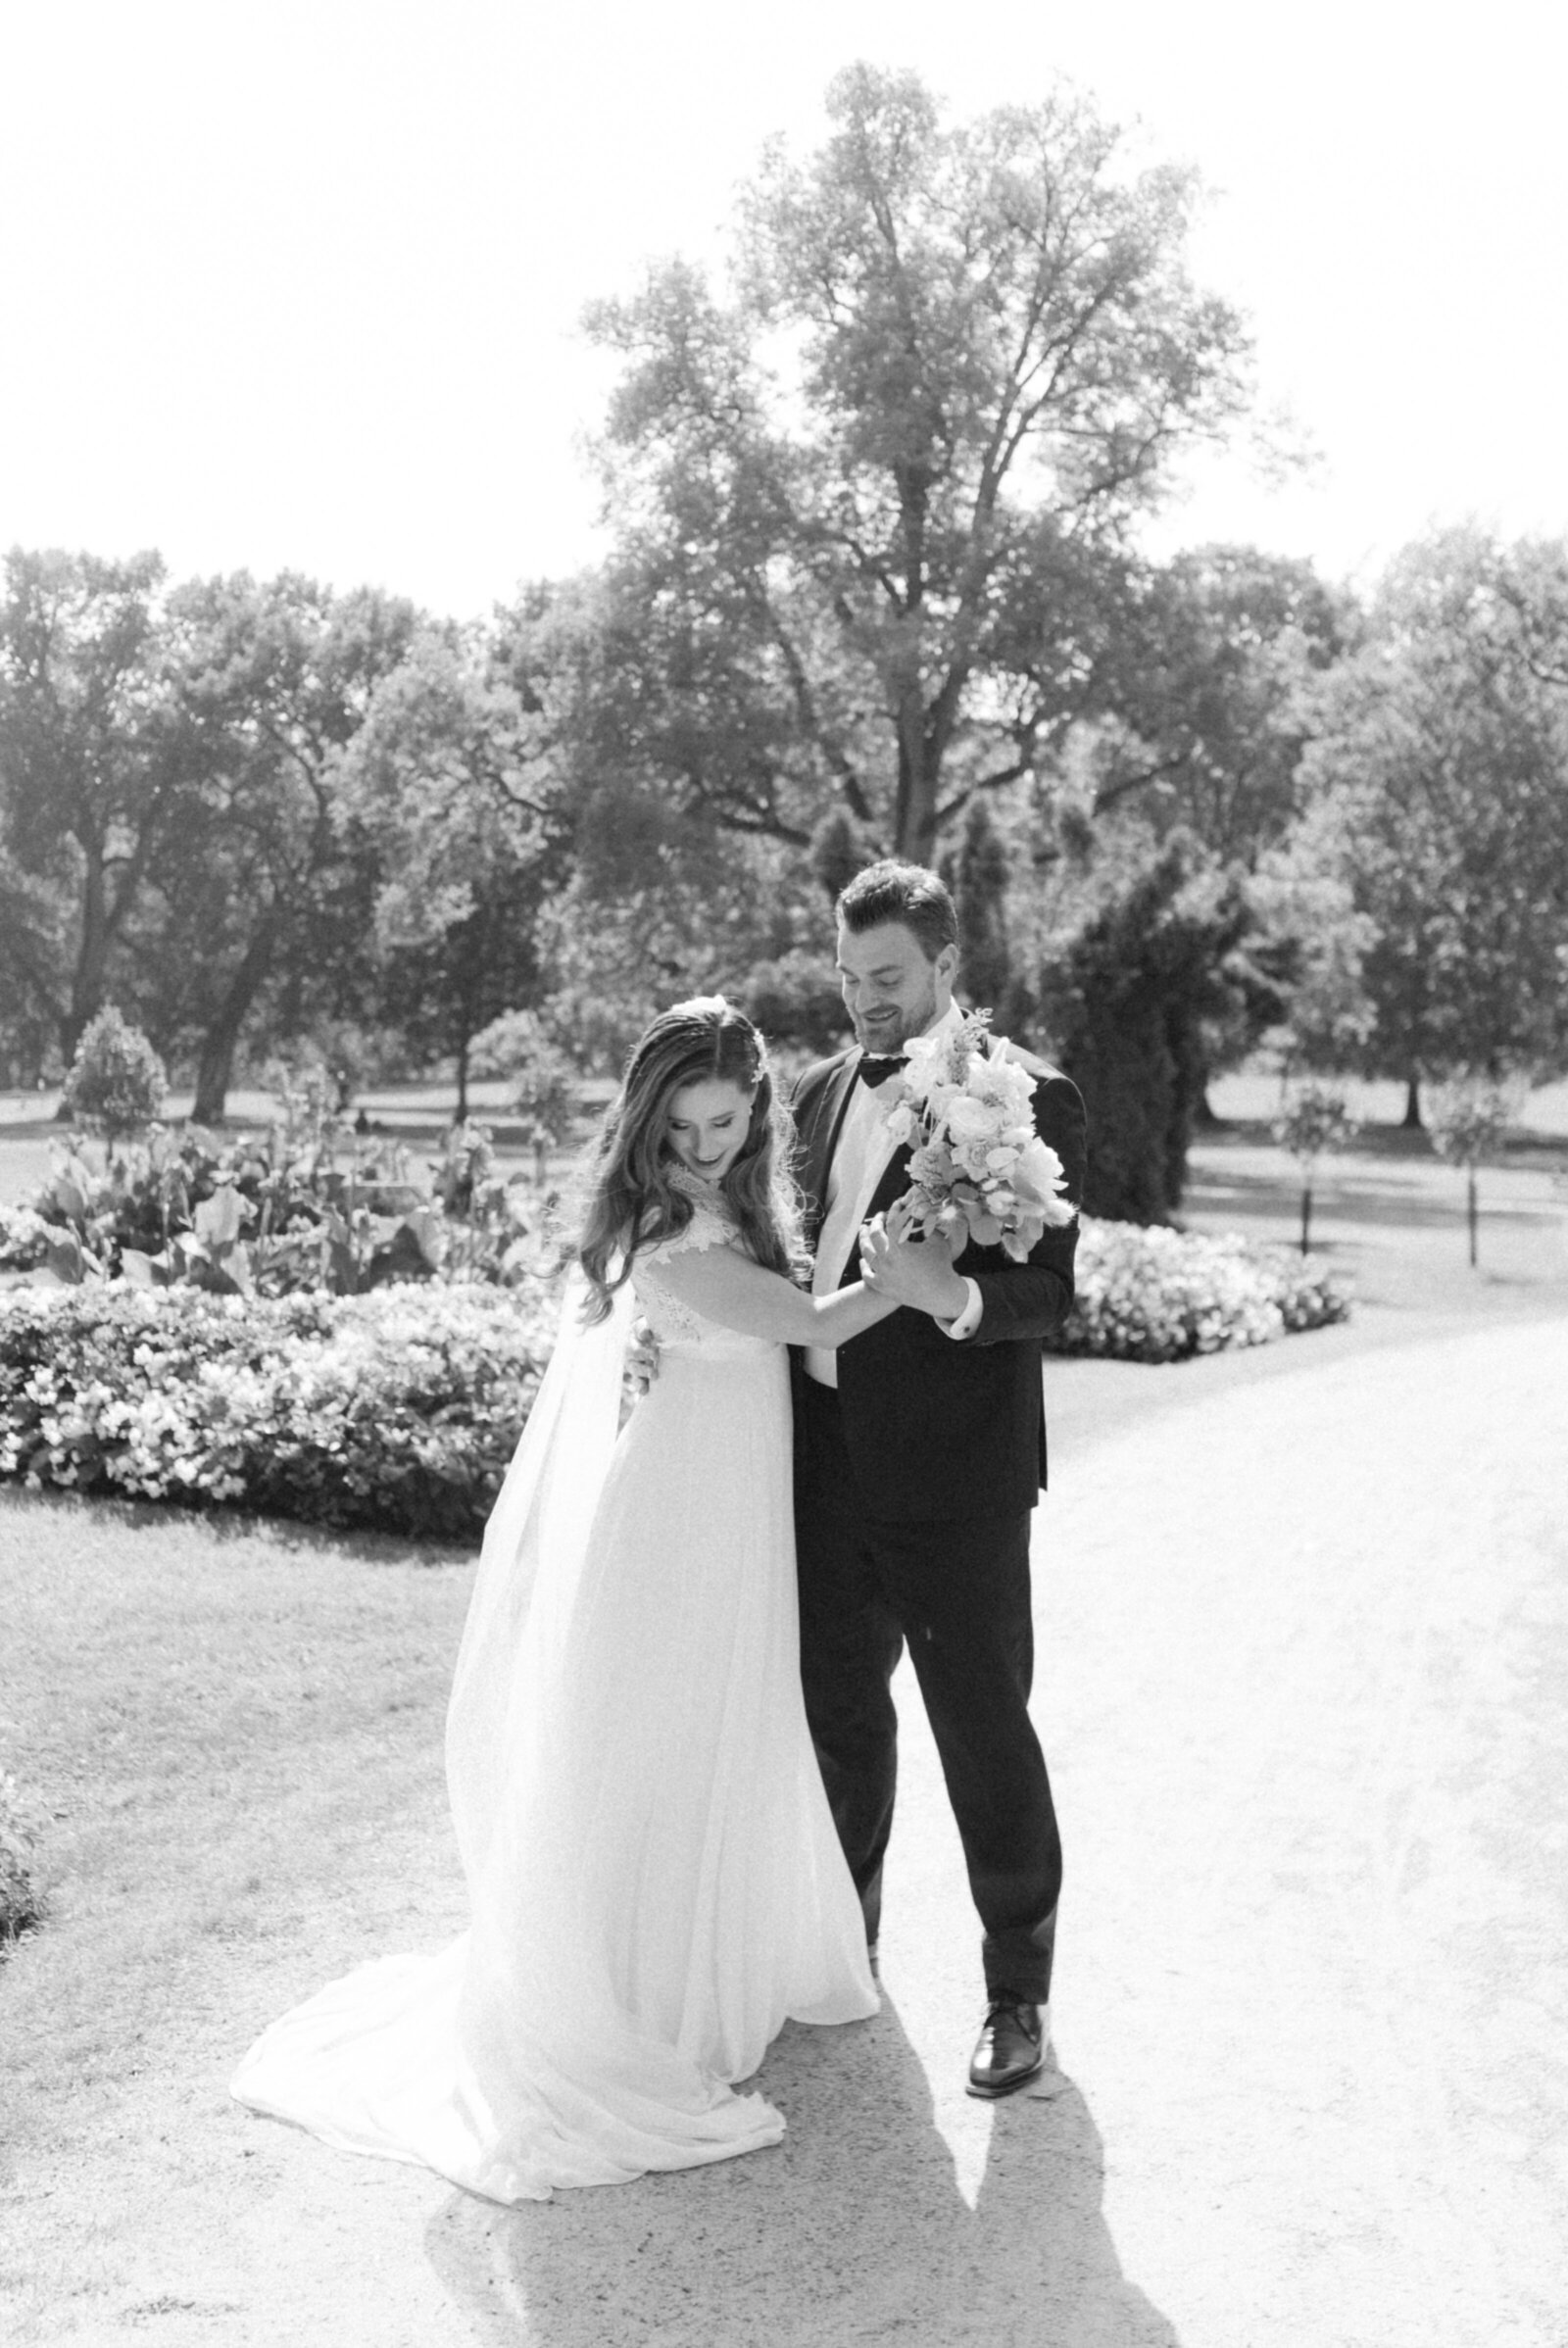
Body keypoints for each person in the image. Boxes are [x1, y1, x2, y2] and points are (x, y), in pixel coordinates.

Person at [231, 998, 946, 2203]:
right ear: (651, 1115)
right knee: (657, 1736)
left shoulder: (720, 1196)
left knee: (707, 1728)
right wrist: (913, 1275)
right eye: (687, 1121)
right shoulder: (673, 1229)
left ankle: (689, 1955)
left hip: (718, 1508)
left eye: (728, 1119)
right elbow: (815, 1321)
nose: (710, 1141)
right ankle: (628, 1982)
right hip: (673, 1525)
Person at [789, 859, 1088, 2099]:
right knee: (836, 1717)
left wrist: (950, 1295)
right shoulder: (807, 1094)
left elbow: (1049, 1291)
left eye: (890, 978)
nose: (866, 1000)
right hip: (816, 1463)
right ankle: (842, 1949)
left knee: (981, 1727)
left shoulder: (1025, 1095)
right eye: (851, 977)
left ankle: (1014, 1992)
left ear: (947, 966)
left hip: (956, 1482)